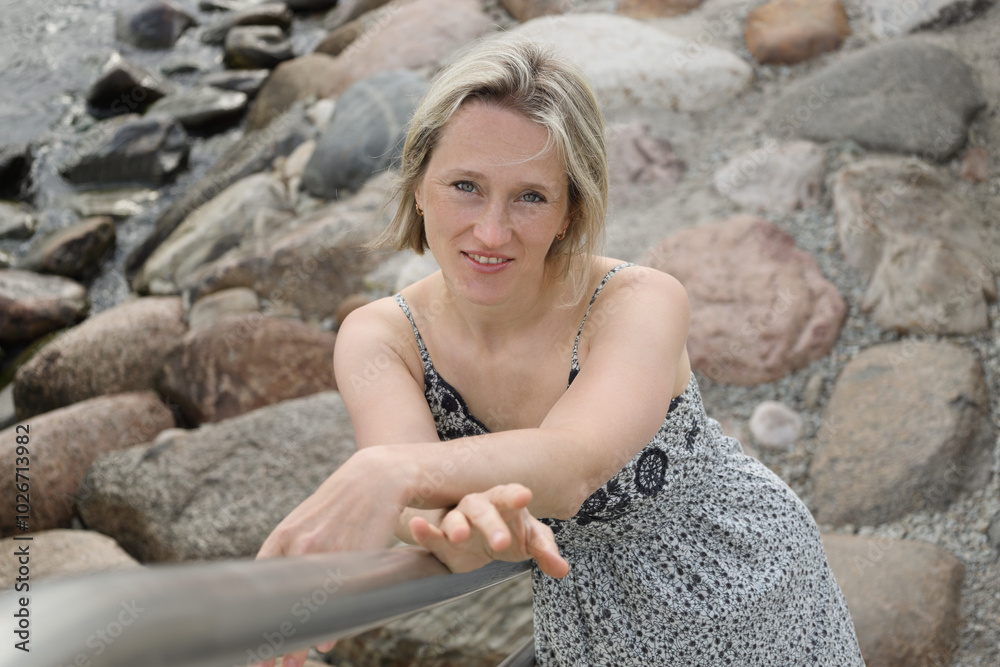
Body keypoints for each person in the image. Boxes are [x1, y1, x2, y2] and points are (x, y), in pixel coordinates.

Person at [255, 35, 865, 667]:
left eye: (531, 196)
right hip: (584, 616)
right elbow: (425, 510)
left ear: (570, 212)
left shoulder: (637, 301)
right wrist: (461, 527)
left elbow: (573, 465)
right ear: (417, 186)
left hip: (743, 591)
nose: (491, 231)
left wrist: (389, 472)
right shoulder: (383, 337)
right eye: (465, 185)